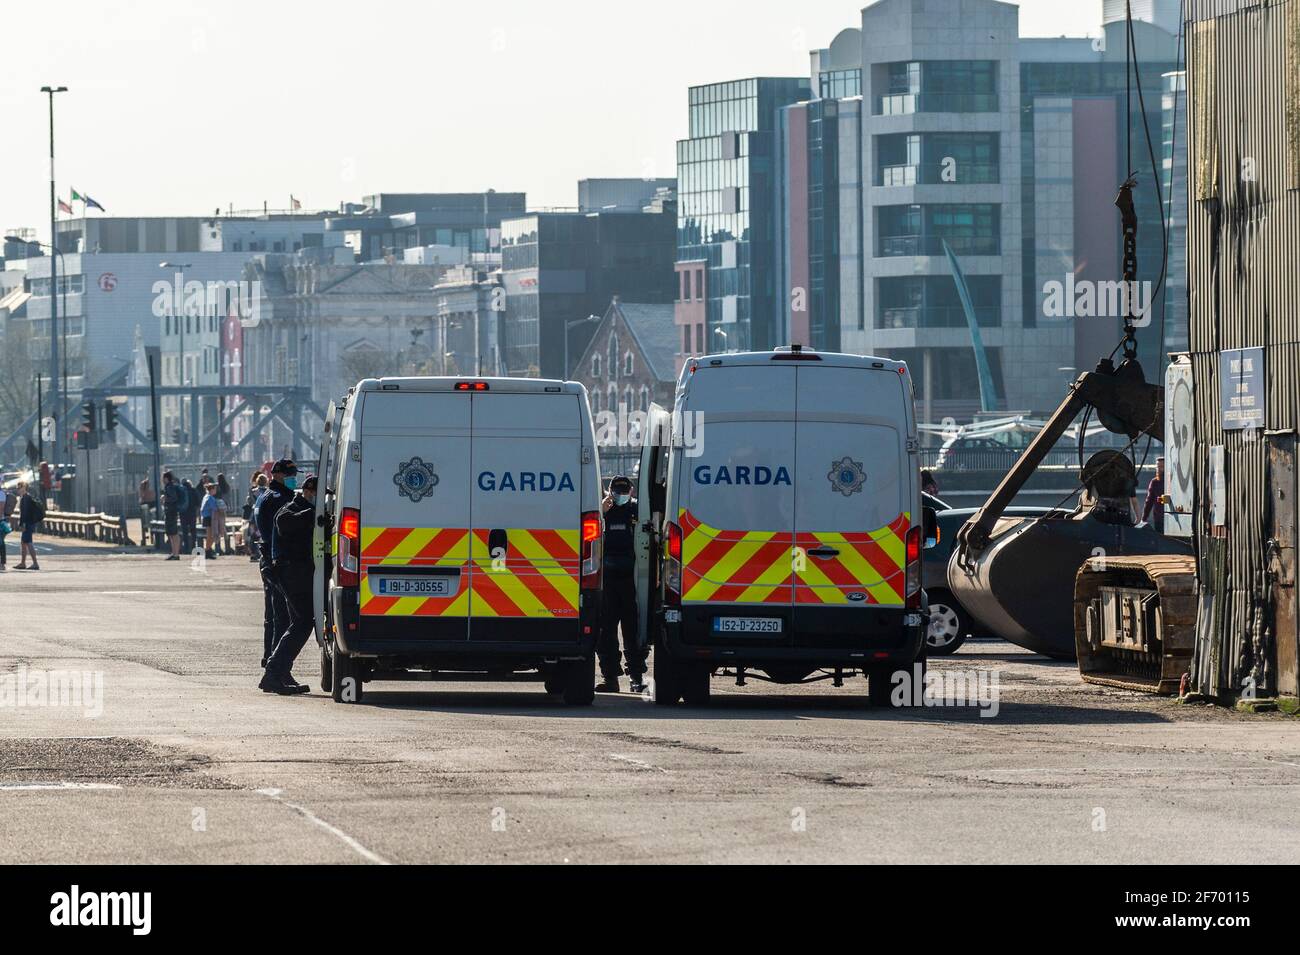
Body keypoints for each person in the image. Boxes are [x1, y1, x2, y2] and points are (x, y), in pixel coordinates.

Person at [260, 475, 318, 695]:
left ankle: (281, 673)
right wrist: (314, 514)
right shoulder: (290, 509)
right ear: (309, 492)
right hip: (291, 574)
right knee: (303, 622)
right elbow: (285, 524)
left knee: (298, 622)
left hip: (299, 574)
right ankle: (273, 672)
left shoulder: (301, 509)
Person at [596, 475, 646, 693]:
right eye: (616, 491)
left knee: (632, 631)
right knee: (605, 631)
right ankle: (610, 678)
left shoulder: (636, 511)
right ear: (609, 490)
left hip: (631, 579)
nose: (620, 495)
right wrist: (601, 512)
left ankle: (636, 677)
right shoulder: (602, 511)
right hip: (606, 580)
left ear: (632, 491)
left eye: (624, 491)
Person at [254, 459, 297, 669]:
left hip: (267, 559)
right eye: (290, 474)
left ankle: (268, 655)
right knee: (283, 615)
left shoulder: (264, 496)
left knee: (271, 613)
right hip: (278, 560)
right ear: (278, 474)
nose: (293, 478)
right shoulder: (280, 499)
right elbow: (285, 531)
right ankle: (275, 662)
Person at [15, 482, 43, 571]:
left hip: (27, 523)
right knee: (23, 543)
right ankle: (23, 563)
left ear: (24, 488)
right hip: (29, 523)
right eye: (17, 487)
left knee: (28, 542)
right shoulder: (25, 497)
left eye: (19, 487)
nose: (18, 489)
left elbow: (25, 513)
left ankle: (35, 563)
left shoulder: (26, 498)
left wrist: (22, 524)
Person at [244, 473, 268, 561]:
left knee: (253, 534)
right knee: (262, 534)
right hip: (263, 515)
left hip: (253, 515)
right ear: (266, 482)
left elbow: (249, 502)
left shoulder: (253, 491)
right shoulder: (267, 491)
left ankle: (253, 553)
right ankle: (262, 553)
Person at [161, 471, 183, 559]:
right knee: (171, 533)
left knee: (174, 533)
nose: (162, 480)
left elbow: (173, 498)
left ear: (166, 478)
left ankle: (176, 554)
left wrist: (165, 498)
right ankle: (174, 553)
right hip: (170, 512)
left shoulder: (170, 487)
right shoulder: (169, 487)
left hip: (171, 512)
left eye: (163, 478)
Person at [1141, 456, 1166, 533]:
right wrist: (1144, 519)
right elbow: (1149, 501)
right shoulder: (1154, 482)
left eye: (1162, 467)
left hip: (1172, 518)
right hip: (1159, 519)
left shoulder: (1173, 482)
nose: (1159, 469)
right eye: (1158, 467)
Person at [179, 479, 199, 555]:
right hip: (192, 513)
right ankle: (194, 547)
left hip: (183, 514)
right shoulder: (194, 491)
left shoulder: (181, 491)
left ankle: (186, 548)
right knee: (193, 531)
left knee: (185, 532)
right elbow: (198, 502)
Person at [138, 477, 157, 547]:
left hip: (153, 503)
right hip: (146, 502)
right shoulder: (144, 484)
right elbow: (141, 494)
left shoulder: (157, 482)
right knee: (146, 516)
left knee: (153, 517)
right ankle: (147, 528)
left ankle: (152, 535)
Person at [0, 483, 13, 570]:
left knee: (1, 543)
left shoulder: (1, 494)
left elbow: (1, 508)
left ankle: (2, 563)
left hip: (0, 520)